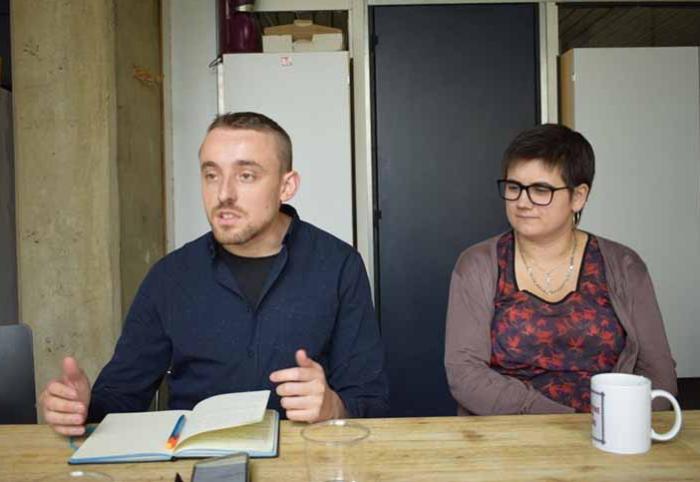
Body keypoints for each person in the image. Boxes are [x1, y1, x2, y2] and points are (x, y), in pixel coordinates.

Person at [40, 112, 389, 435]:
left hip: (304, 465)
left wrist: (332, 406)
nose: (224, 194)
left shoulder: (338, 265)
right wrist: (81, 409)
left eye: (246, 175)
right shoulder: (170, 277)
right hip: (195, 465)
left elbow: (372, 402)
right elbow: (120, 396)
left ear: (287, 186)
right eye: (211, 175)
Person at [444, 124, 677, 415]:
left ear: (578, 197)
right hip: (508, 435)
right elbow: (465, 375)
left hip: (611, 433)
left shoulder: (624, 266)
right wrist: (565, 423)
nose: (522, 202)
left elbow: (659, 373)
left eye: (541, 190)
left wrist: (621, 426)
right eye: (514, 188)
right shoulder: (478, 264)